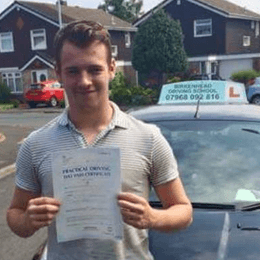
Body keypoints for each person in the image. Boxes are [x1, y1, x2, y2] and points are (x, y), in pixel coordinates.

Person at [6, 20, 192, 259]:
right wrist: (28, 220)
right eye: (73, 71)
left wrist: (153, 217)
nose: (84, 81)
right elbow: (15, 215)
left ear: (112, 68)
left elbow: (183, 211)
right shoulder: (35, 144)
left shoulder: (148, 138)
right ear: (59, 72)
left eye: (94, 69)